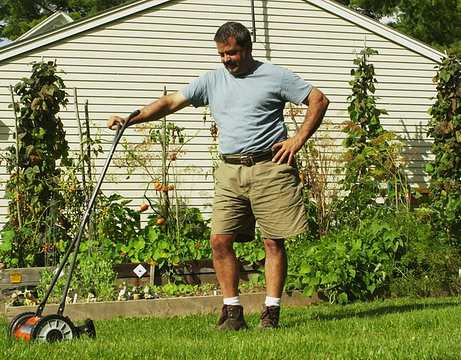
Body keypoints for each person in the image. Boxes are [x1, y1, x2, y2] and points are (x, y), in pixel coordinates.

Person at [108, 21, 329, 330]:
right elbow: (171, 102)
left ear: (247, 48)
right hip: (230, 171)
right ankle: (233, 313)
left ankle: (271, 313)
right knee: (219, 240)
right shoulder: (213, 80)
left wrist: (297, 140)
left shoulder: (275, 76)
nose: (227, 60)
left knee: (272, 242)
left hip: (270, 167)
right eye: (222, 54)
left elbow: (318, 100)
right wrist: (132, 118)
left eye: (232, 53)